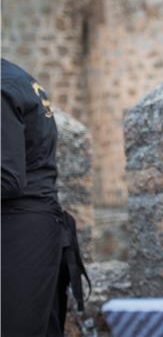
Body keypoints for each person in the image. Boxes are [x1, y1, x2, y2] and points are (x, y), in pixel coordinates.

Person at [2, 58, 89, 337]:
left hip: (19, 232)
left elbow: (8, 178)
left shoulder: (3, 86)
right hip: (35, 228)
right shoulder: (15, 77)